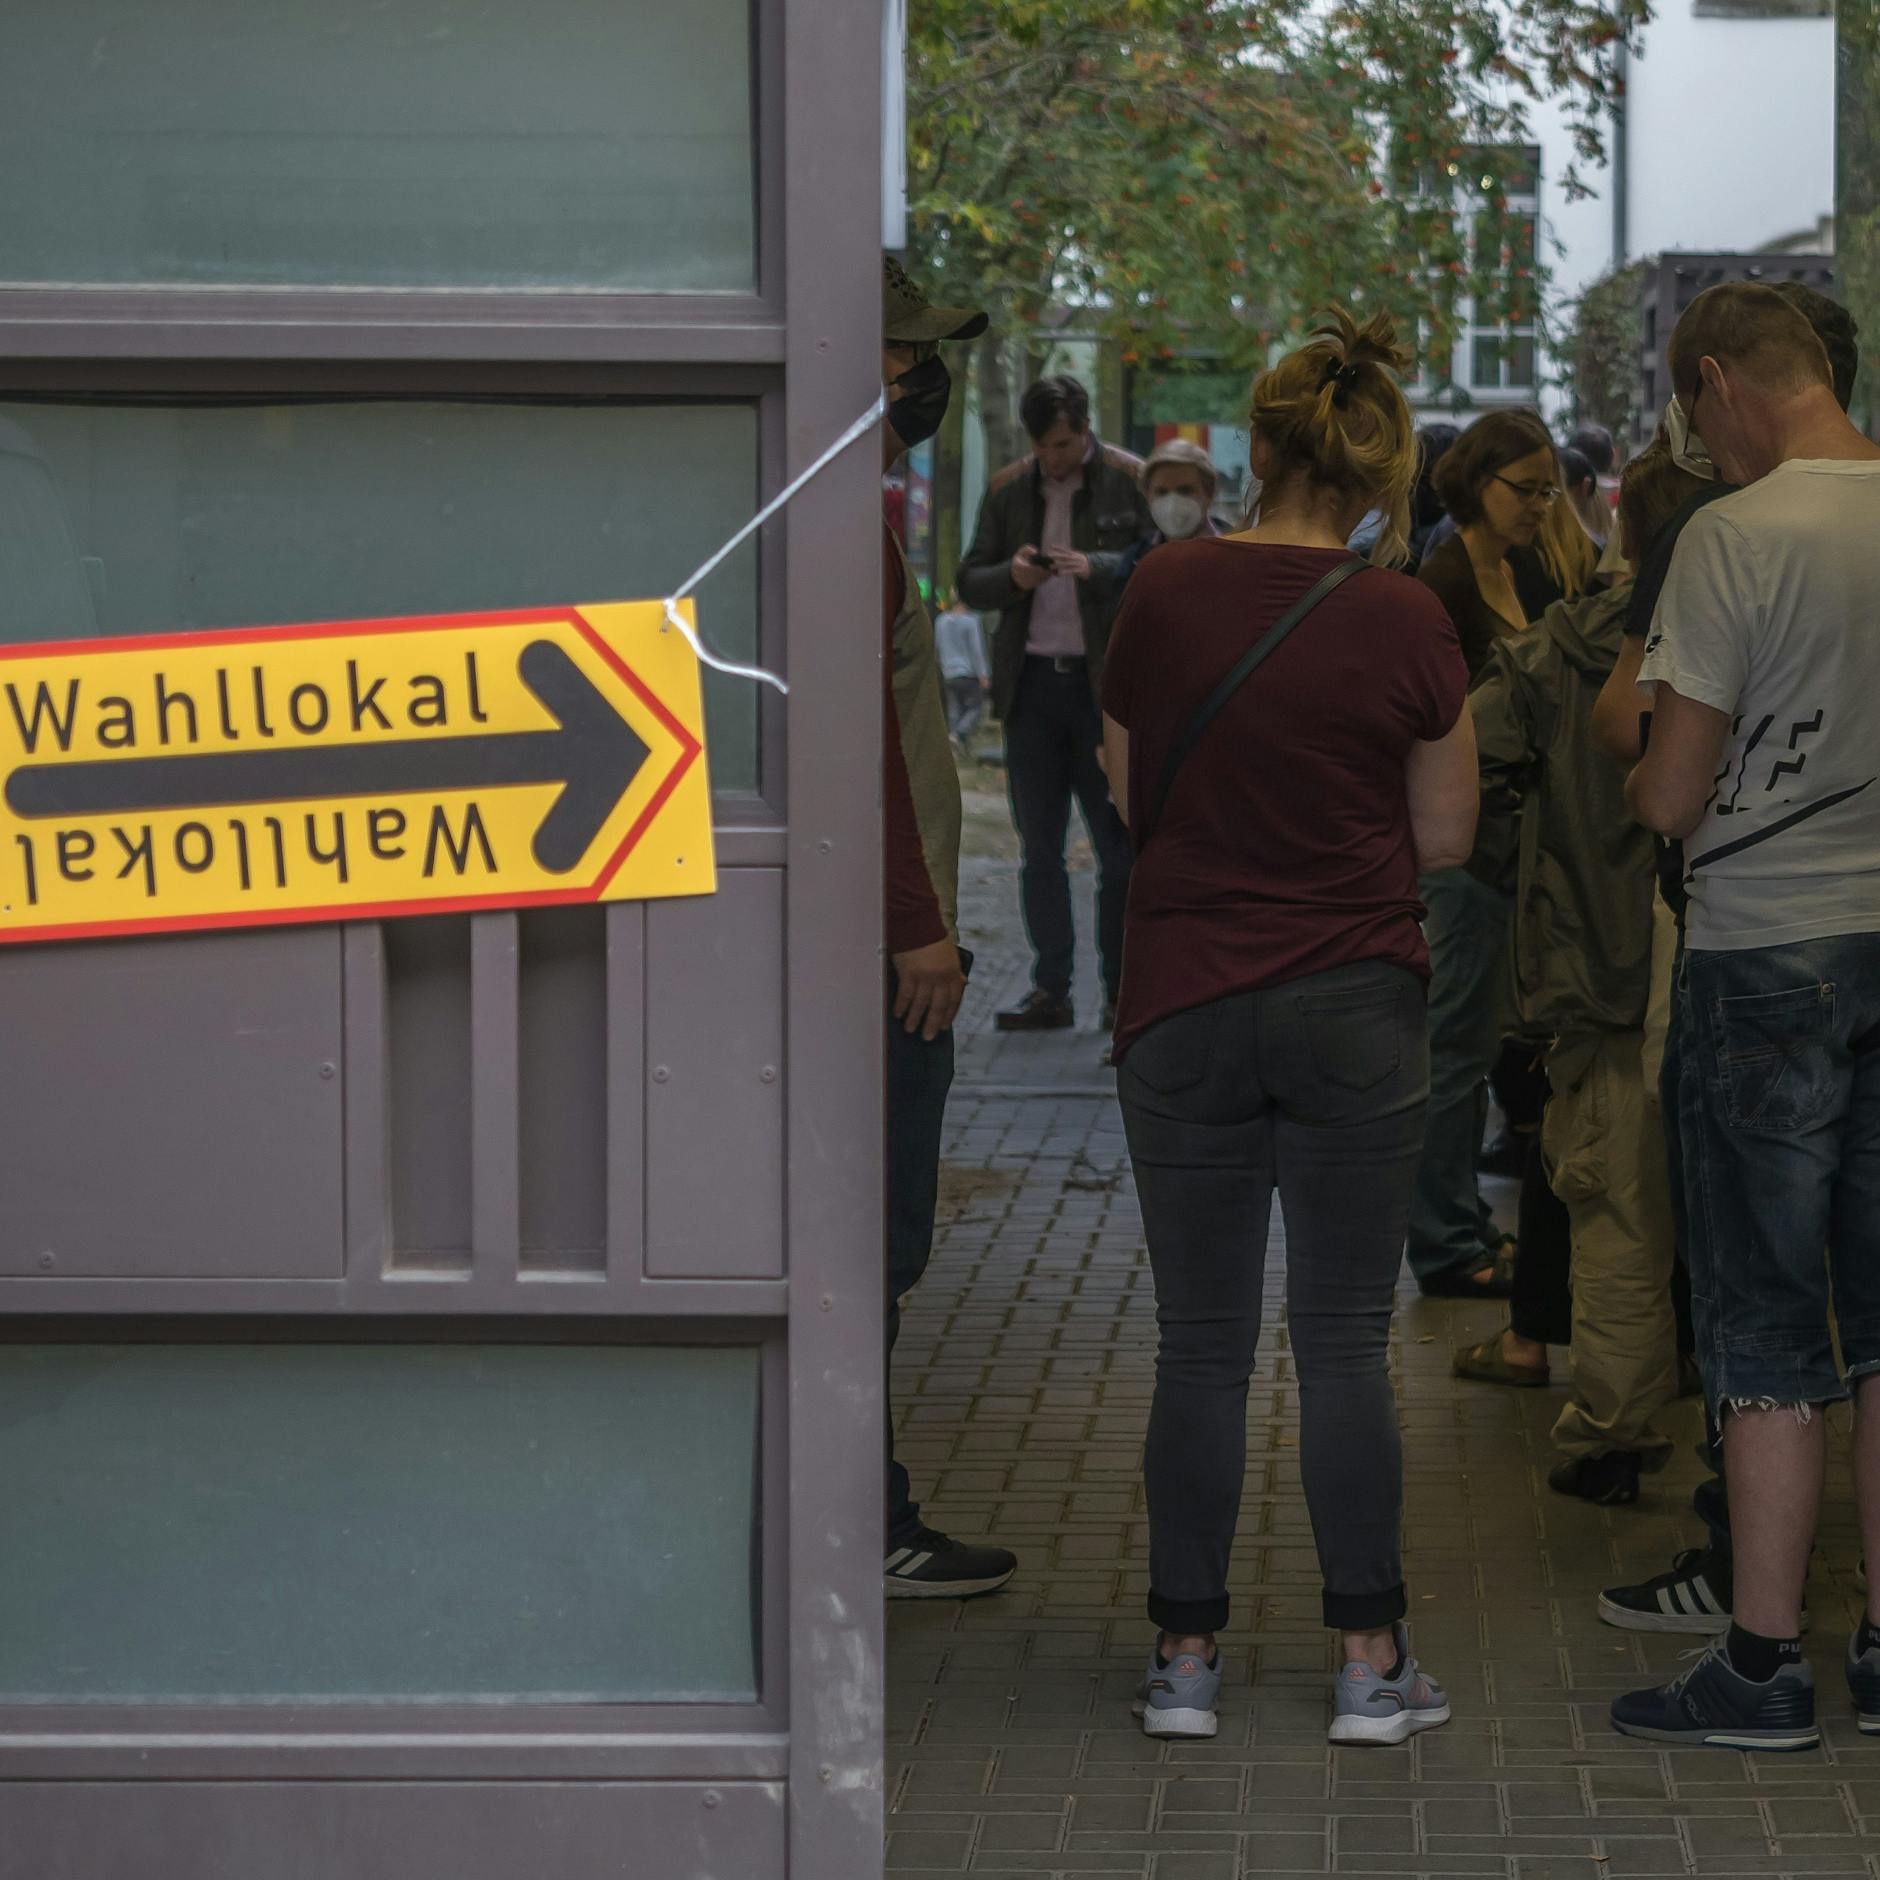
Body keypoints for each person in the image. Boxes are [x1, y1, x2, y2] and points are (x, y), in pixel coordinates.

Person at [1101, 307, 1473, 1745]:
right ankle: (1371, 1665)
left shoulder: (1167, 592)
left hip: (1183, 1004)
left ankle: (1184, 1663)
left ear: (1256, 448)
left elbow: (1133, 800)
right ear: (1377, 475)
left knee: (1199, 1343)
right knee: (1340, 1345)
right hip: (1355, 1010)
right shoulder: (1409, 617)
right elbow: (1443, 837)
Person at [1610, 282, 1880, 1752]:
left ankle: (1764, 1664)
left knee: (1767, 1314)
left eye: (1691, 414)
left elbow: (1666, 788)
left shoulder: (1733, 537)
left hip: (1769, 954)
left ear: (1721, 382)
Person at [1452, 446, 1706, 1506]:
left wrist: (1527, 874)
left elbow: (1455, 763)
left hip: (1601, 965)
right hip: (1742, 949)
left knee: (1611, 1198)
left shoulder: (1561, 651)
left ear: (1619, 527)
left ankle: (1612, 1425)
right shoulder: (1773, 628)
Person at [879, 257, 1016, 1600]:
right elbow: (862, 746)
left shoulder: (849, 514)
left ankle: (864, 1503)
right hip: (883, 950)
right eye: (906, 351)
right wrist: (919, 927)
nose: (922, 378)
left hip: (888, 934)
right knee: (875, 1240)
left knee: (878, 1243)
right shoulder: (831, 526)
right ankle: (861, 1515)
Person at [1404, 408, 1564, 1300]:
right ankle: (1446, 1241)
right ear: (1478, 482)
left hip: (1515, 849)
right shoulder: (1443, 579)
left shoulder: (1527, 570)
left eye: (1549, 490)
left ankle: (1465, 1229)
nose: (1541, 506)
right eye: (1525, 489)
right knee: (1454, 1053)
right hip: (1461, 855)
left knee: (1481, 1048)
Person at [957, 375, 1149, 1035]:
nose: (1055, 458)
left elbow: (1160, 563)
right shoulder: (1012, 488)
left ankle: (1123, 994)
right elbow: (969, 579)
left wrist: (1097, 564)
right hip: (1032, 687)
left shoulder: (1130, 479)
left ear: (1085, 428)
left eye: (1064, 444)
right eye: (1045, 446)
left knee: (1115, 850)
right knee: (1039, 848)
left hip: (1107, 691)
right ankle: (1051, 989)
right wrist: (1011, 577)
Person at [1118, 438, 1223, 583]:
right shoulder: (1134, 560)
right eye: (1161, 492)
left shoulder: (1238, 553)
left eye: (1185, 491)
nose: (1172, 502)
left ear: (1209, 493)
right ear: (1147, 497)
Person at [931, 588, 990, 745]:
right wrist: (983, 674)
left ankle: (954, 740)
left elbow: (937, 647)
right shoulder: (971, 621)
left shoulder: (941, 621)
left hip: (949, 672)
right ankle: (958, 733)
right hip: (968, 672)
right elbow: (977, 649)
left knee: (954, 709)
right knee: (975, 707)